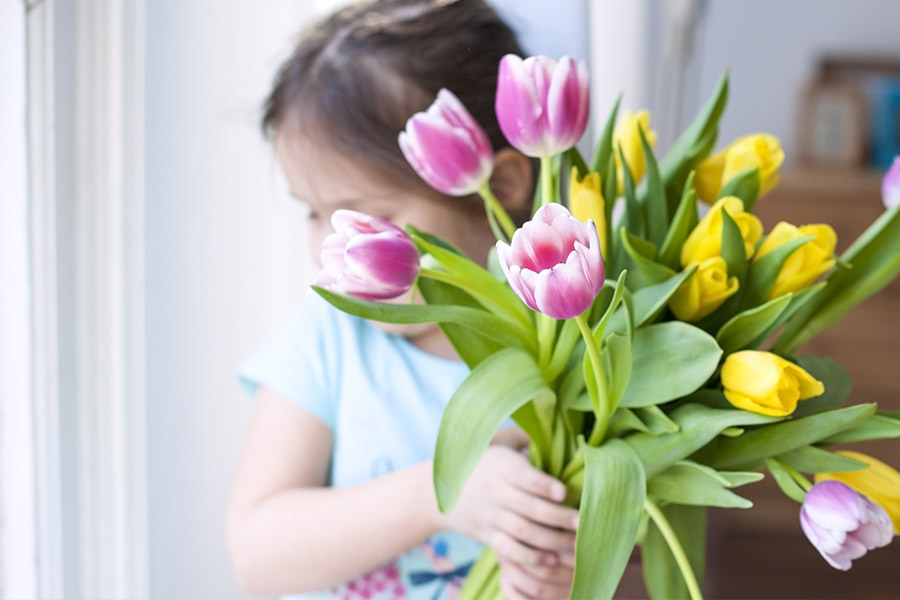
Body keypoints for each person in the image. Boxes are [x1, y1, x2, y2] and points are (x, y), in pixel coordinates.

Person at [226, 2, 579, 599]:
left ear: (502, 185)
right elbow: (257, 552)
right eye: (314, 213)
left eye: (370, 215)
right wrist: (436, 493)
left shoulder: (573, 346)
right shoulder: (327, 337)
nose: (335, 248)